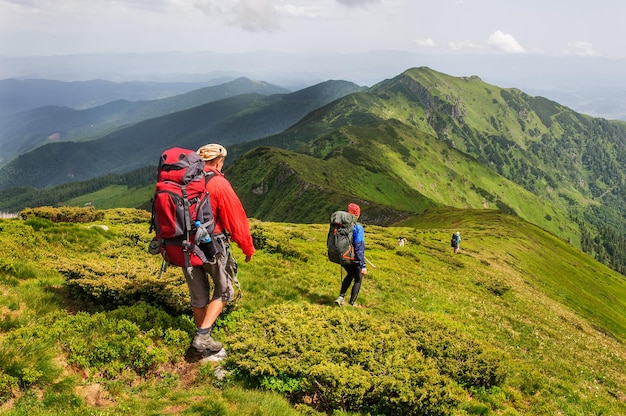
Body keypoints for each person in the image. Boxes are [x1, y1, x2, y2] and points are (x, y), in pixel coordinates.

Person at [186, 143, 255, 354]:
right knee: (225, 290)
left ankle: (202, 340)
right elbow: (236, 221)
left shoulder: (185, 181)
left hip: (185, 246)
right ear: (219, 161)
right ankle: (203, 336)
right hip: (211, 245)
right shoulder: (218, 184)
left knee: (198, 295)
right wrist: (247, 248)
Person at [335, 203, 367, 307]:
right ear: (357, 214)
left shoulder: (340, 225)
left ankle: (341, 297)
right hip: (353, 257)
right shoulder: (358, 227)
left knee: (350, 274)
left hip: (342, 255)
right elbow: (359, 247)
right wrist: (362, 266)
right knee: (358, 279)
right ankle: (351, 303)